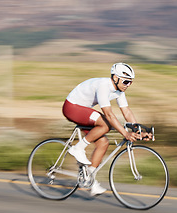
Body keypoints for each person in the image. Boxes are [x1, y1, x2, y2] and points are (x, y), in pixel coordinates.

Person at [62, 62, 149, 196]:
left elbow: (126, 112)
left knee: (103, 143)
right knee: (106, 123)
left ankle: (89, 179)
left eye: (130, 83)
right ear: (115, 78)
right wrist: (125, 133)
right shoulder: (104, 86)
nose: (128, 85)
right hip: (72, 108)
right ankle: (77, 148)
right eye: (126, 81)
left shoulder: (119, 91)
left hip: (84, 110)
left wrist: (138, 131)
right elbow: (109, 114)